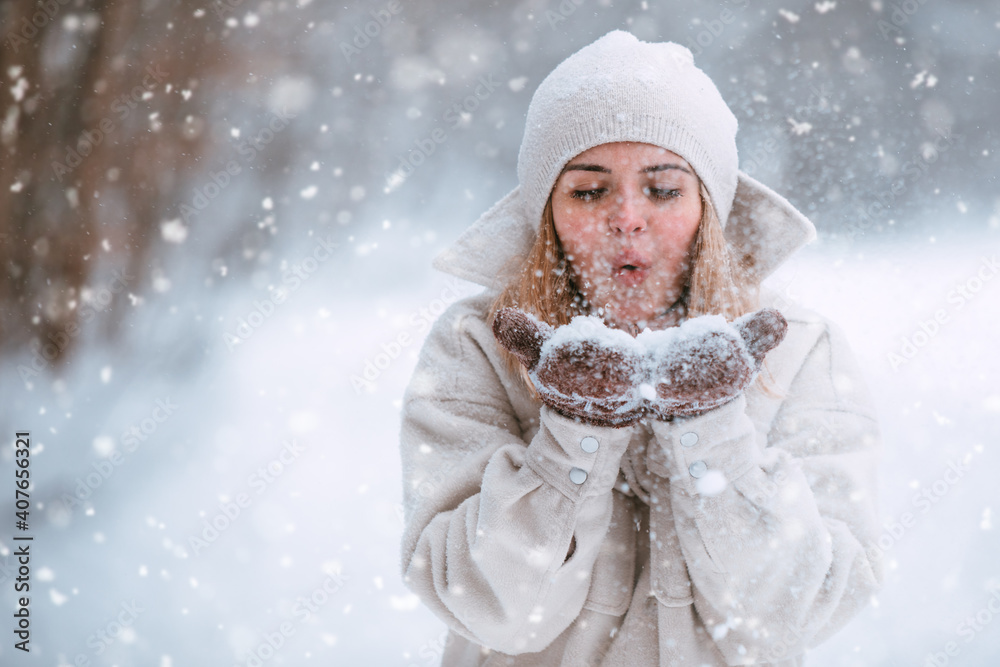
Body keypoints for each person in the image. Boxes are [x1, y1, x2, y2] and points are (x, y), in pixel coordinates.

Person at [398, 30, 883, 666]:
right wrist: (574, 434)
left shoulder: (797, 351)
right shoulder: (477, 347)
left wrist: (712, 434)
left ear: (709, 205)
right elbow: (491, 608)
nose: (627, 216)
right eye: (589, 189)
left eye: (662, 188)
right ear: (546, 211)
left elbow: (797, 611)